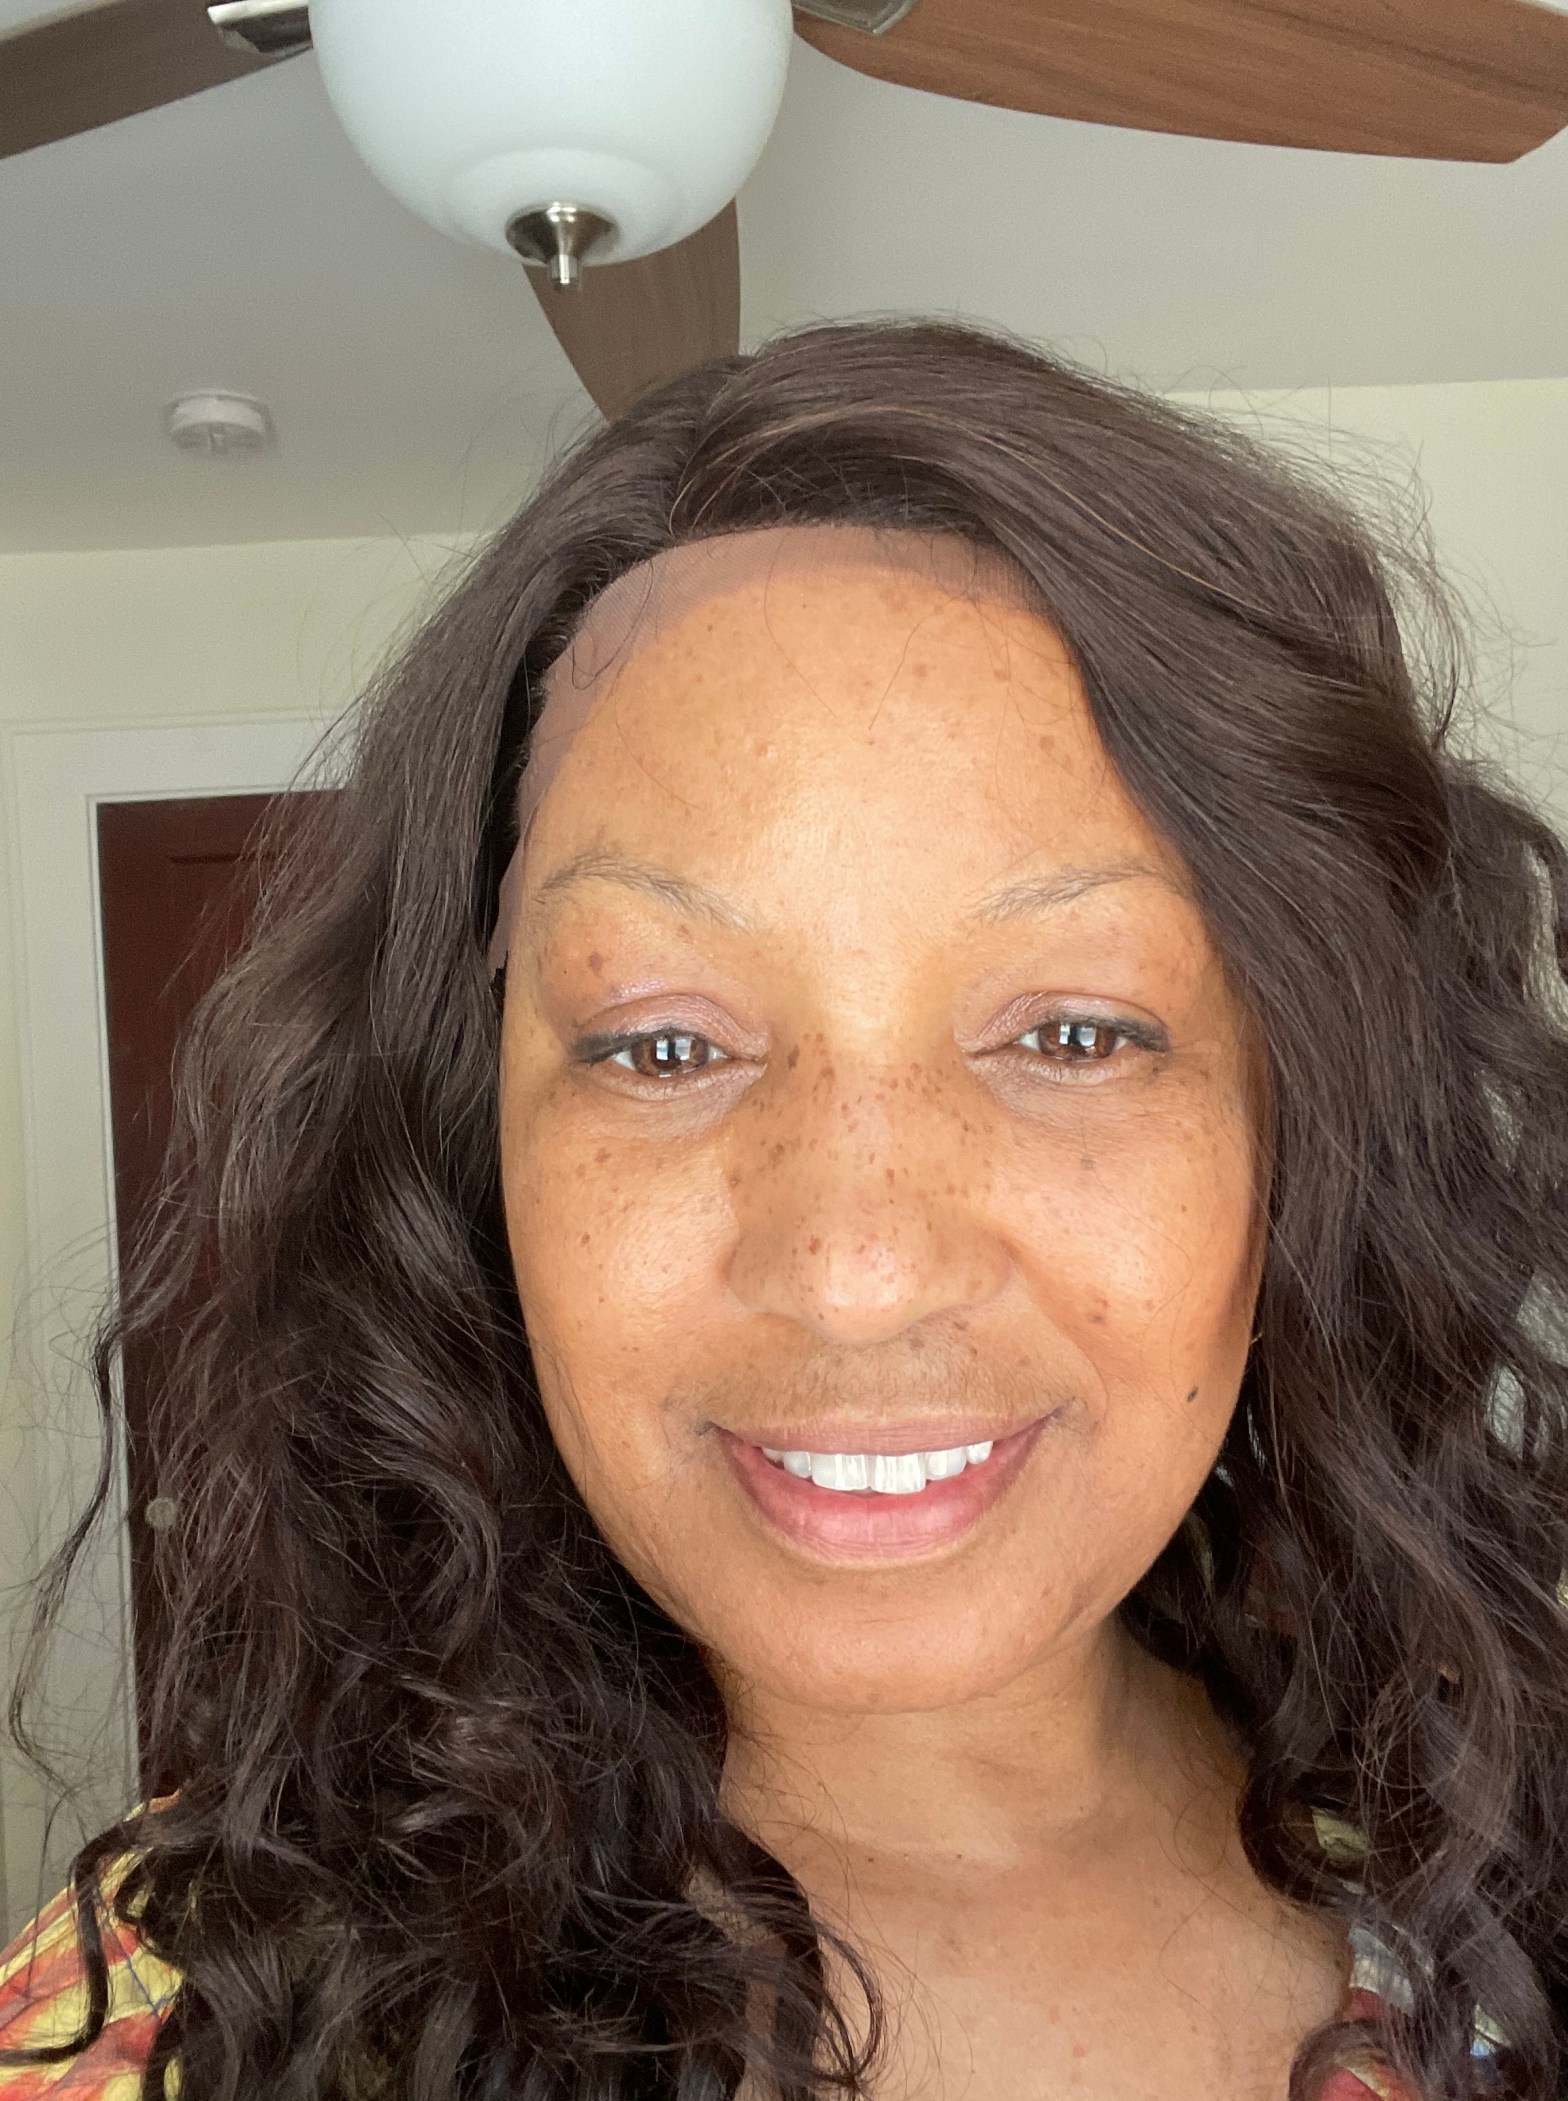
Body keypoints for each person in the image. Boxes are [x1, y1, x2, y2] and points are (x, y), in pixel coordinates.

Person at [0, 317, 1563, 2101]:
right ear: (474, 1138)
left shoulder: (1492, 1873)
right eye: (664, 1042)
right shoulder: (184, 2017)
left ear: (1300, 1125)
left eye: (1073, 1031)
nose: (857, 1268)